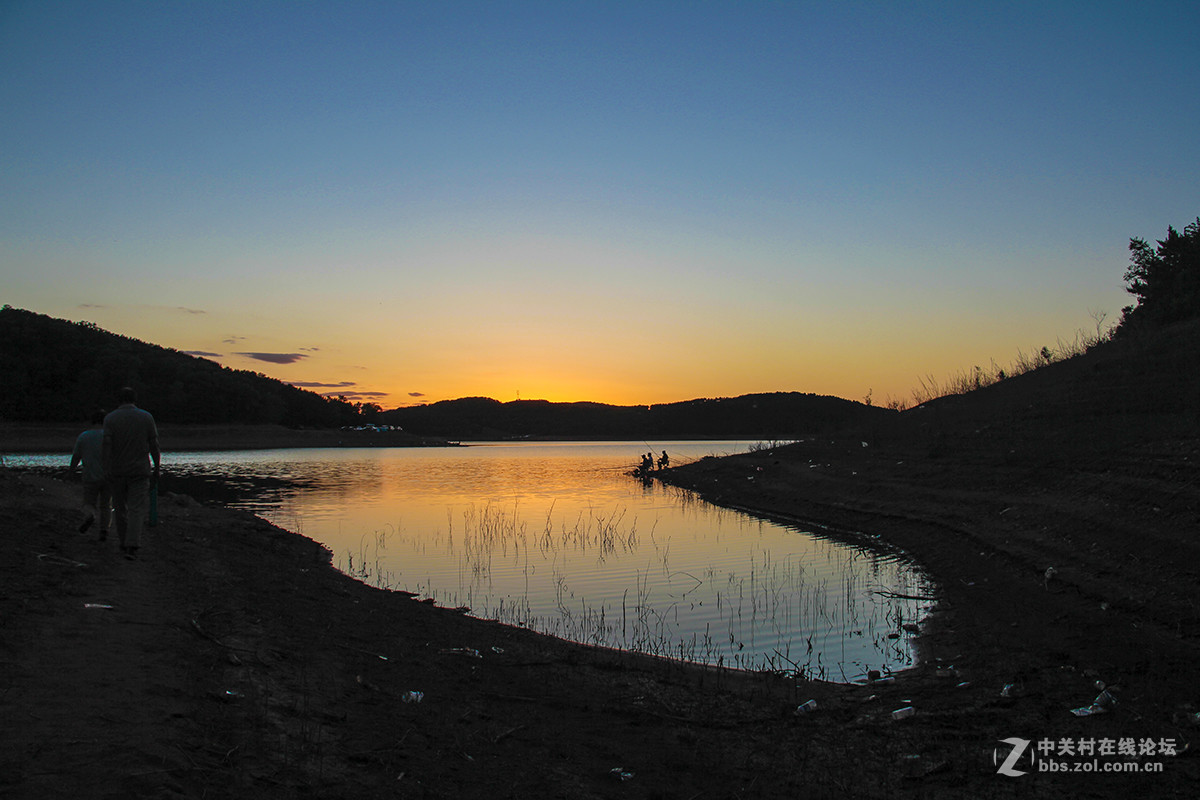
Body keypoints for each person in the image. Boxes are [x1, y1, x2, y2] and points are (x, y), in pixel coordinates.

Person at [103, 387, 160, 560]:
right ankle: (132, 544)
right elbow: (154, 445)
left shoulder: (110, 418)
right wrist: (157, 466)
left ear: (119, 400)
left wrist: (105, 467)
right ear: (135, 399)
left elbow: (107, 446)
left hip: (117, 470)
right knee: (136, 508)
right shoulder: (146, 417)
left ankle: (122, 542)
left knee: (120, 508)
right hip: (140, 470)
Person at [70, 410, 110, 540]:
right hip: (109, 476)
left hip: (89, 475)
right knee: (106, 505)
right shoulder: (110, 436)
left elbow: (76, 456)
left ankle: (90, 515)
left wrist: (71, 471)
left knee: (88, 502)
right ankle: (104, 530)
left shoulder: (84, 436)